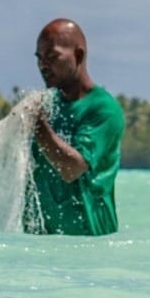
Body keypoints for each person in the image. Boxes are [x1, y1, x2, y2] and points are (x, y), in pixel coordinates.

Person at [28, 18, 125, 236]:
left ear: (78, 56)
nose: (43, 65)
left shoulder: (103, 109)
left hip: (88, 247)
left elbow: (72, 168)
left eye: (52, 57)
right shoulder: (46, 105)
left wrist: (38, 126)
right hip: (40, 247)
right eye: (40, 58)